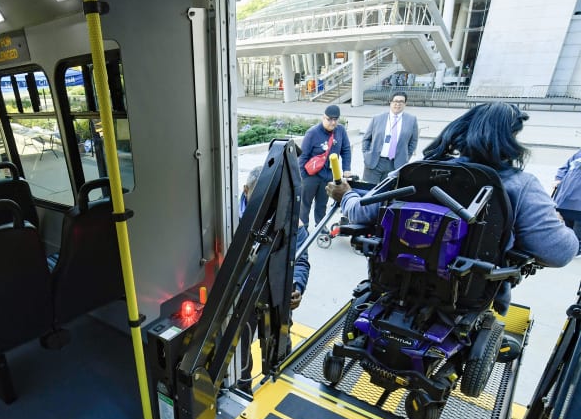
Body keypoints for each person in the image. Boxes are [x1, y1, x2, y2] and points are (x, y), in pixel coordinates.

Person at [325, 102, 579, 312]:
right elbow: (560, 252)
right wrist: (557, 222)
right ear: (509, 139)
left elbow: (360, 211)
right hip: (470, 301)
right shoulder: (519, 185)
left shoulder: (416, 171)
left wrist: (345, 195)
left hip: (397, 285)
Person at [236, 166, 311, 392]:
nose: (265, 207)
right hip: (243, 295)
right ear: (245, 190)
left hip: (277, 291)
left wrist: (296, 286)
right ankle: (243, 390)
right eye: (259, 198)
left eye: (271, 200)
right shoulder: (228, 216)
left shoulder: (290, 221)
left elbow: (300, 260)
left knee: (279, 343)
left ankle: (280, 387)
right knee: (240, 349)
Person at [297, 104, 351, 230]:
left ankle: (320, 226)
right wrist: (302, 178)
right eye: (329, 119)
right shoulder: (312, 133)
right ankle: (302, 229)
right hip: (310, 176)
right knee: (305, 204)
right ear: (323, 118)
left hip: (328, 175)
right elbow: (303, 156)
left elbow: (346, 150)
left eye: (335, 120)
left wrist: (346, 168)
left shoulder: (341, 131)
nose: (332, 122)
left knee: (322, 204)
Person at [360, 92, 419, 184]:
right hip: (375, 162)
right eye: (395, 101)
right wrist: (366, 154)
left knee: (387, 194)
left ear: (405, 104)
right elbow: (366, 138)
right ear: (390, 102)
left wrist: (406, 157)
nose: (397, 104)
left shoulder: (411, 120)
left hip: (396, 165)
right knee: (367, 192)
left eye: (401, 102)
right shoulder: (377, 118)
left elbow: (413, 142)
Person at [552, 148, 581, 257]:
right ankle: (568, 247)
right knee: (567, 227)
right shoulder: (578, 154)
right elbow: (564, 167)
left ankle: (576, 249)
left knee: (578, 228)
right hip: (566, 199)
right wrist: (558, 178)